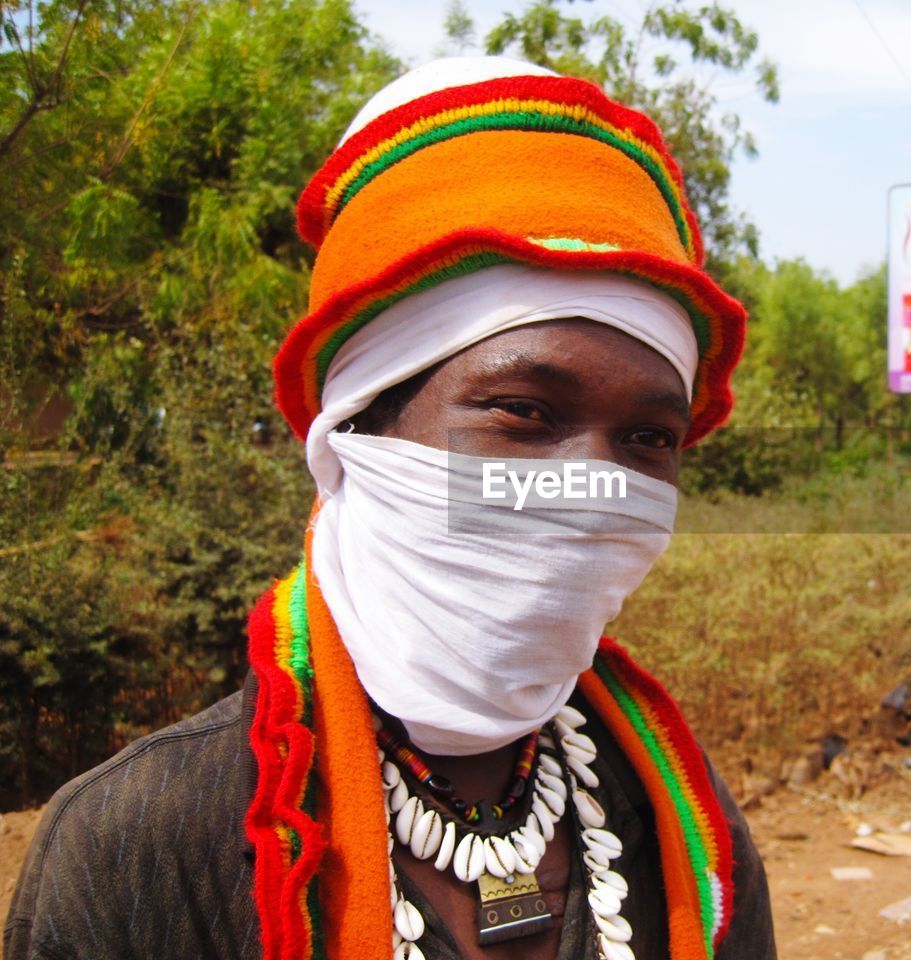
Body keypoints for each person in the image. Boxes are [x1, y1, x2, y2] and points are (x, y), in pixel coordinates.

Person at [5, 58, 776, 960]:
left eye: (649, 439)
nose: (592, 485)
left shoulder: (681, 817)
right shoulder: (144, 845)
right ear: (356, 432)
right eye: (525, 413)